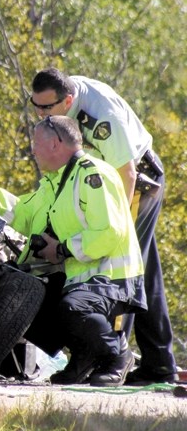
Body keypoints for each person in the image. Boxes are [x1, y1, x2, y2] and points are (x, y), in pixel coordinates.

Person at [0, 115, 146, 386]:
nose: (32, 150)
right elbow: (20, 213)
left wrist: (62, 249)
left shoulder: (93, 173)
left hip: (112, 277)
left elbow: (109, 231)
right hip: (79, 278)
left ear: (56, 143)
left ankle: (118, 355)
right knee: (22, 306)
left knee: (73, 308)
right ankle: (84, 358)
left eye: (36, 143)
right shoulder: (55, 182)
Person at [30, 67, 177, 384]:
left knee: (114, 268)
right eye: (36, 106)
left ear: (67, 100)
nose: (41, 114)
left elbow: (128, 172)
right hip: (106, 185)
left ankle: (110, 360)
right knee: (143, 271)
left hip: (136, 183)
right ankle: (158, 364)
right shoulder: (62, 97)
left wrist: (115, 225)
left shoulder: (100, 116)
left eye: (47, 108)